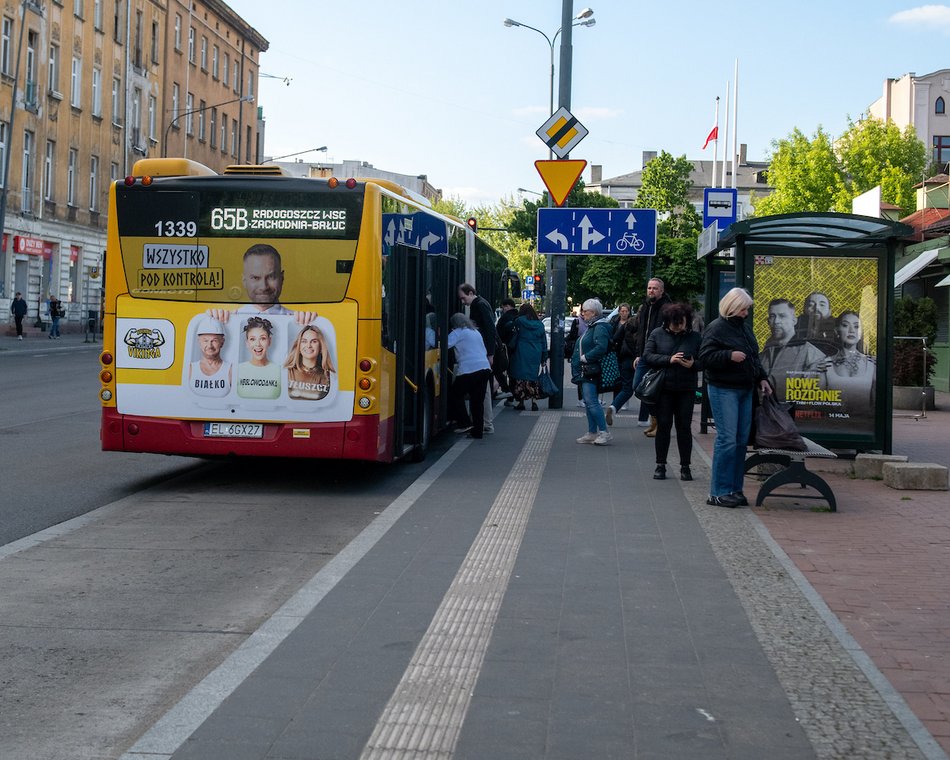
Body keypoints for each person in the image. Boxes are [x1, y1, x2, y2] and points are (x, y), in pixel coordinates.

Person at [699, 287, 772, 508]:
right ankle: (719, 492)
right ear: (732, 307)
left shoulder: (744, 329)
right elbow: (704, 357)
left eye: (747, 309)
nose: (746, 313)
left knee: (740, 442)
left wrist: (762, 377)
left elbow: (753, 356)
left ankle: (734, 489)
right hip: (724, 389)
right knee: (727, 440)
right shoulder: (717, 328)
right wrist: (729, 355)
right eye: (743, 309)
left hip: (744, 388)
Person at [641, 303, 703, 481]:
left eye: (682, 323)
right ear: (668, 322)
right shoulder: (657, 334)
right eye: (675, 323)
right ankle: (660, 465)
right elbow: (648, 355)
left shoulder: (695, 337)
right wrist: (669, 359)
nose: (679, 327)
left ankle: (685, 466)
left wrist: (694, 364)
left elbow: (705, 359)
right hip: (664, 388)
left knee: (684, 428)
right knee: (664, 426)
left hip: (686, 388)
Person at [210, 244, 317, 325]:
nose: (264, 287)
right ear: (244, 281)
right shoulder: (225, 320)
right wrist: (210, 320)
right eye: (255, 278)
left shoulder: (302, 322)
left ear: (282, 278)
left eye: (271, 277)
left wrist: (313, 323)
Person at [759, 299, 826, 403]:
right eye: (772, 316)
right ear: (768, 321)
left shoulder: (811, 353)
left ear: (794, 321)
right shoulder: (763, 355)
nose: (776, 321)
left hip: (791, 415)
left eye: (782, 316)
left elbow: (814, 395)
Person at [813, 310, 876, 416]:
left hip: (863, 426)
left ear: (861, 333)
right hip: (834, 425)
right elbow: (817, 403)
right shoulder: (825, 365)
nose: (851, 330)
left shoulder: (872, 364)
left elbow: (876, 405)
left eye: (856, 326)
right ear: (837, 331)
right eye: (845, 325)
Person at [570, 298, 613, 446]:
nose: (582, 314)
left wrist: (586, 357)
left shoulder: (598, 327)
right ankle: (592, 432)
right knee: (589, 403)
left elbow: (601, 347)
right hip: (587, 370)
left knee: (591, 402)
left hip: (590, 370)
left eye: (585, 311)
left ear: (593, 312)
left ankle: (603, 432)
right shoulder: (594, 326)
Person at [633, 278, 672, 435]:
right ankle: (655, 418)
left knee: (656, 390)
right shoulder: (645, 307)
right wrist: (638, 354)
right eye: (649, 288)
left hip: (659, 356)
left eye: (655, 288)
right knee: (638, 387)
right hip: (644, 355)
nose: (651, 291)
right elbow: (641, 332)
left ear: (661, 291)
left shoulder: (667, 307)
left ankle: (659, 424)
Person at [457, 283, 496, 434]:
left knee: (483, 392)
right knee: (482, 391)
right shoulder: (481, 303)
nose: (463, 302)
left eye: (463, 298)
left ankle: (486, 423)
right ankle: (483, 422)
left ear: (471, 293)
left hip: (484, 352)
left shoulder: (479, 305)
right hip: (484, 351)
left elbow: (490, 328)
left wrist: (490, 354)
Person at [447, 312, 492, 439]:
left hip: (469, 369)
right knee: (477, 402)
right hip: (484, 368)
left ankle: (464, 422)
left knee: (455, 394)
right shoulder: (475, 332)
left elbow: (445, 344)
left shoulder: (458, 332)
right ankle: (478, 431)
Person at [507, 302, 547, 411]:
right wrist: (544, 357)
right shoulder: (540, 324)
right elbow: (544, 342)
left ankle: (521, 402)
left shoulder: (519, 321)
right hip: (536, 352)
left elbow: (511, 329)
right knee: (532, 377)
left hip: (522, 350)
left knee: (521, 377)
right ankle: (534, 402)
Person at [606, 302, 637, 425]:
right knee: (628, 384)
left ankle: (615, 405)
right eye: (622, 311)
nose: (624, 313)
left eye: (626, 311)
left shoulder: (631, 323)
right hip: (626, 356)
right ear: (619, 312)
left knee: (627, 384)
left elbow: (614, 338)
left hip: (626, 356)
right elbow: (614, 338)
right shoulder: (616, 322)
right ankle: (617, 404)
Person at [285, 324, 335, 400]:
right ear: (299, 346)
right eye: (304, 341)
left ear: (321, 347)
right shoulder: (287, 372)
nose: (308, 345)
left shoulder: (329, 376)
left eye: (314, 341)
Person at [237, 316, 280, 399]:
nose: (258, 344)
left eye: (262, 338)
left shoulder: (279, 371)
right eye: (252, 339)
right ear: (247, 343)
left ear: (269, 341)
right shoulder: (237, 369)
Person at [188, 316, 232, 396]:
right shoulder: (190, 369)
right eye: (205, 340)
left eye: (214, 341)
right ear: (199, 342)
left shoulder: (230, 370)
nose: (210, 345)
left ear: (222, 342)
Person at [494, 298, 518, 402]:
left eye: (503, 307)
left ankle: (507, 391)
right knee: (513, 373)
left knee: (497, 368)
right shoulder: (518, 317)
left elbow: (498, 334)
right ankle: (512, 395)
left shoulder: (504, 318)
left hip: (505, 349)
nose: (502, 309)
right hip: (517, 349)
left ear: (508, 306)